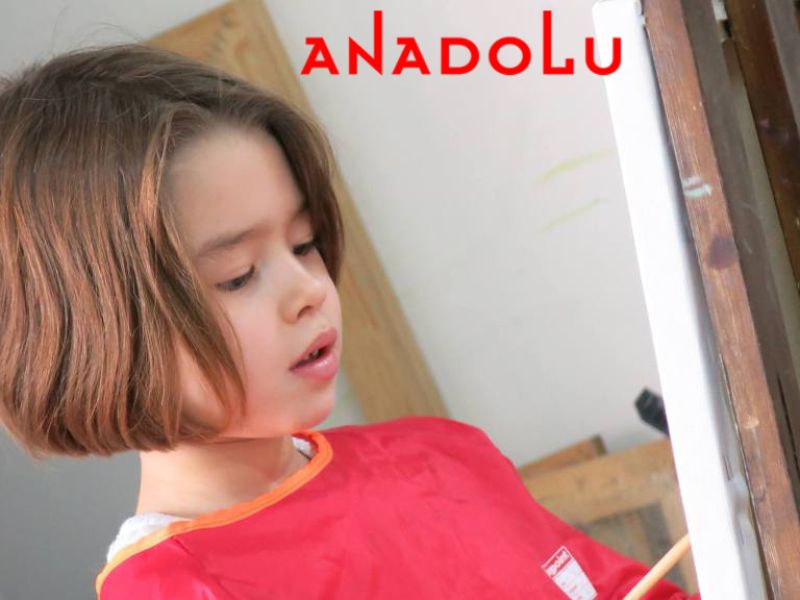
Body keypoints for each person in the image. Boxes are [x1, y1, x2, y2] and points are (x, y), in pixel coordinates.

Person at [0, 43, 699, 600]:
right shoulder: (176, 586)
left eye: (304, 244)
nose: (309, 289)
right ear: (94, 336)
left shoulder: (441, 455)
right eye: (237, 275)